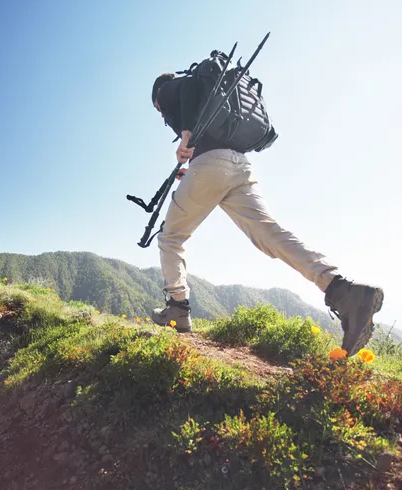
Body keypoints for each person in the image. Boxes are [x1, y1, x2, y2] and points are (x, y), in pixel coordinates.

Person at [149, 72, 384, 356]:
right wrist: (196, 169)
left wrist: (186, 134)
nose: (161, 115)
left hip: (211, 167)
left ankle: (177, 308)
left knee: (170, 238)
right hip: (238, 165)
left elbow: (184, 88)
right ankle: (341, 289)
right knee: (269, 235)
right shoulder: (209, 95)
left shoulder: (167, 89)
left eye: (158, 110)